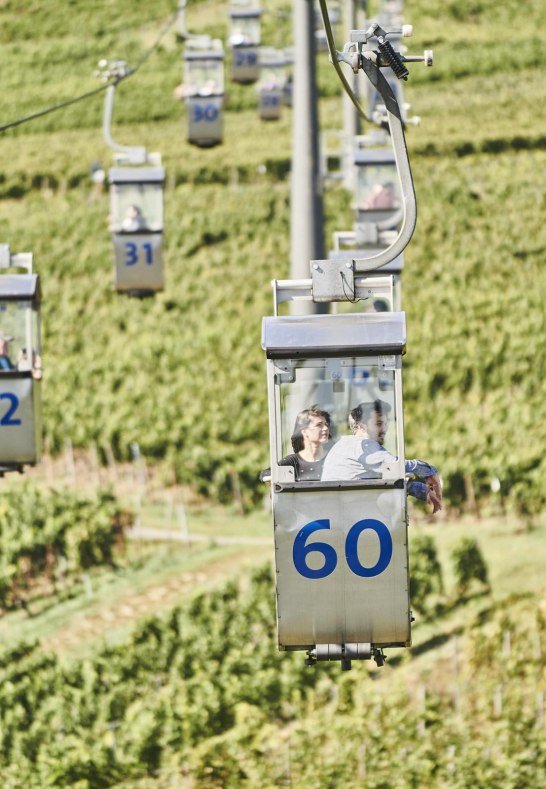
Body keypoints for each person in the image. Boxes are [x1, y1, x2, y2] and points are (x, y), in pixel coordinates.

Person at [321, 399, 442, 513]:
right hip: (348, 514)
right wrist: (429, 471)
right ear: (361, 426)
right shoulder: (362, 444)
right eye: (378, 423)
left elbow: (380, 478)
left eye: (386, 423)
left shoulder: (346, 445)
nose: (384, 429)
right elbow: (395, 466)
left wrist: (421, 489)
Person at [260, 405, 331, 482]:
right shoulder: (293, 461)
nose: (326, 428)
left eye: (326, 424)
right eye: (319, 425)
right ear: (304, 431)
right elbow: (265, 474)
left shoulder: (332, 458)